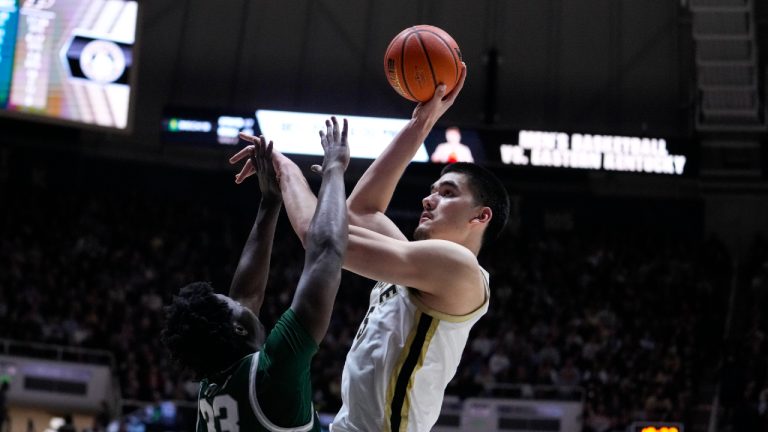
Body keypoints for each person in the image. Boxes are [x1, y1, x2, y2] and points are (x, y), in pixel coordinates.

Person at [238, 64, 511, 431]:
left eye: (447, 194)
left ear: (481, 217)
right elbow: (360, 211)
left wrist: (287, 171)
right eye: (431, 191)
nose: (429, 200)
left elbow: (319, 240)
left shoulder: (459, 267)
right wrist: (420, 123)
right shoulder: (416, 265)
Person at [162, 118, 350, 432]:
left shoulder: (213, 385)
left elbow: (245, 298)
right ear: (236, 329)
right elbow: (327, 250)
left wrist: (270, 202)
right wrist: (334, 169)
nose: (237, 299)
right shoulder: (272, 375)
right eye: (230, 304)